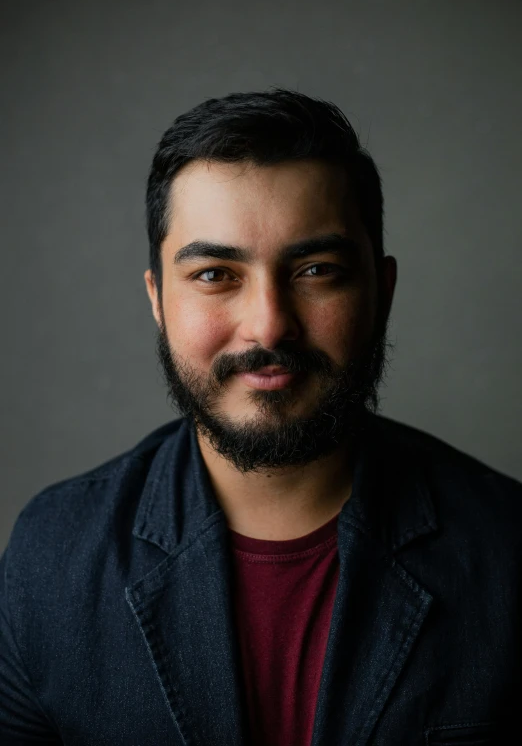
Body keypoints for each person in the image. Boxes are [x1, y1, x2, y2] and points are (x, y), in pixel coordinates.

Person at [1, 88, 520, 746]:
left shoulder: (507, 552)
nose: (269, 322)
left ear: (381, 291)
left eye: (316, 269)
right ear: (158, 299)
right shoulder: (48, 563)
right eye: (217, 274)